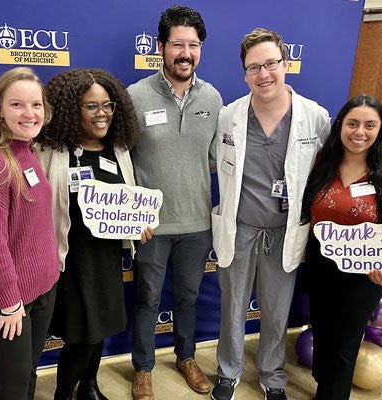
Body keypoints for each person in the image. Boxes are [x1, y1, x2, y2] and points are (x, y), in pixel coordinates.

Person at [210, 28, 330, 400]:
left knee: (277, 311)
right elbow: (214, 163)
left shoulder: (314, 117)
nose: (264, 74)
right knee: (232, 308)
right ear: (244, 73)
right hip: (240, 227)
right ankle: (228, 372)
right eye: (253, 67)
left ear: (286, 63)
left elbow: (328, 171)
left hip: (285, 231)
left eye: (271, 64)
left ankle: (272, 376)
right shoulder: (229, 115)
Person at [34, 68, 153, 400]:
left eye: (108, 105)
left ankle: (89, 386)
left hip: (106, 259)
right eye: (91, 106)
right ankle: (63, 393)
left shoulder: (118, 148)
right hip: (70, 260)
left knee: (99, 331)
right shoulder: (50, 150)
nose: (102, 114)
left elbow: (125, 200)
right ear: (73, 109)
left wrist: (136, 223)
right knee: (82, 335)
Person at [127, 5, 223, 400]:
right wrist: (132, 214)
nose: (186, 53)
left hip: (197, 225)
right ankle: (143, 368)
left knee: (187, 298)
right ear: (161, 47)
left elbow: (216, 158)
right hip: (151, 226)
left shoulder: (214, 98)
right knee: (147, 300)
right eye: (178, 44)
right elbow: (122, 160)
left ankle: (186, 357)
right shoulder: (134, 95)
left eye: (194, 45)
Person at [300, 94, 382, 400]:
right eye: (352, 123)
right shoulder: (323, 163)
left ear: (380, 130)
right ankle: (325, 385)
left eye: (369, 125)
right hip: (321, 265)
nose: (359, 132)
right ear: (340, 126)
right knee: (322, 333)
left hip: (364, 274)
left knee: (345, 344)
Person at [0, 66, 59, 400]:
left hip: (41, 291)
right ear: (0, 111)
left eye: (36, 105)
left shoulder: (27, 152)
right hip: (8, 302)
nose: (29, 113)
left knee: (29, 376)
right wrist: (9, 302)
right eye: (17, 105)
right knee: (14, 388)